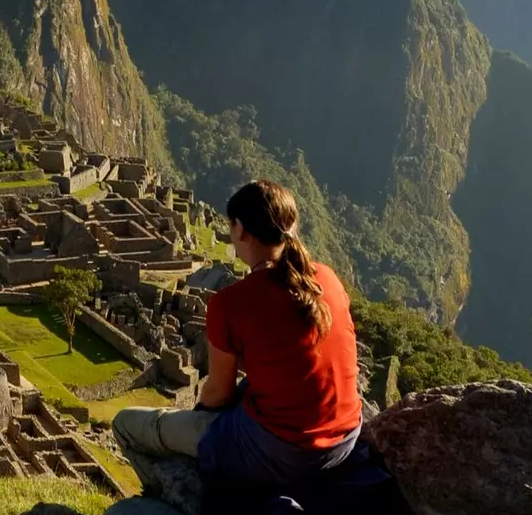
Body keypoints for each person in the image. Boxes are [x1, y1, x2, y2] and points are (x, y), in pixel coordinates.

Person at [112, 180, 362, 491]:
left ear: (240, 230)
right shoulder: (327, 278)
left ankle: (178, 501)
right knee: (247, 389)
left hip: (287, 455)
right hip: (346, 439)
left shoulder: (231, 304)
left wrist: (198, 421)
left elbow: (218, 393)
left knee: (127, 424)